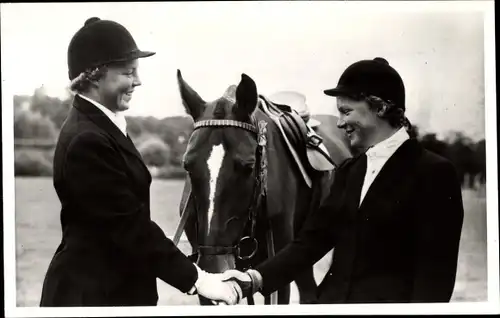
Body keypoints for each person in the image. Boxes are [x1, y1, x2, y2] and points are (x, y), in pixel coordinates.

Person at [221, 57, 464, 304]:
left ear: (379, 108)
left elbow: (434, 281)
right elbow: (312, 240)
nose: (339, 123)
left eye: (346, 111)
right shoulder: (350, 170)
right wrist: (253, 280)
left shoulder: (434, 173)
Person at [40, 17, 241, 306]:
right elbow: (130, 229)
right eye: (128, 72)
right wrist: (200, 280)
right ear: (95, 75)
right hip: (93, 298)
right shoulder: (88, 140)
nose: (138, 81)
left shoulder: (100, 126)